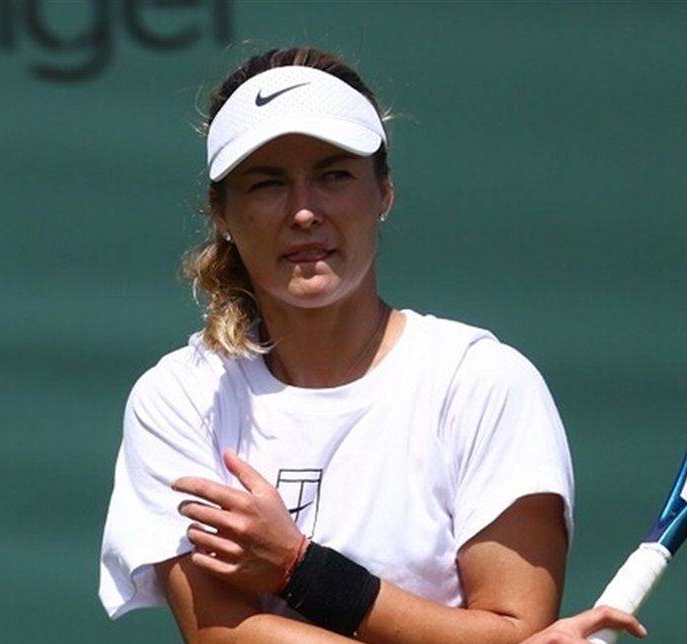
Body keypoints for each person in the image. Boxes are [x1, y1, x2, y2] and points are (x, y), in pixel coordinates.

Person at [98, 47, 641, 643]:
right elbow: (223, 637)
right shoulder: (179, 397)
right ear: (221, 212)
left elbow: (514, 628)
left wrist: (298, 569)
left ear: (383, 192)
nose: (304, 211)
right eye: (267, 183)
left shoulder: (484, 382)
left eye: (334, 175)